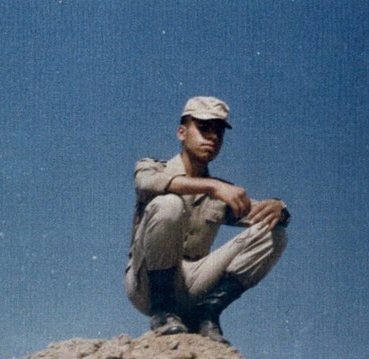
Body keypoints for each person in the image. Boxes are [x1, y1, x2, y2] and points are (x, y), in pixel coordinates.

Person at [124, 96, 290, 345]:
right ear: (181, 132)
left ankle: (207, 312)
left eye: (218, 132)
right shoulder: (153, 167)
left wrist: (279, 208)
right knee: (169, 204)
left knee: (274, 233)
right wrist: (212, 187)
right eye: (204, 128)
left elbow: (263, 214)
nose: (212, 137)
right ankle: (163, 312)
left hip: (195, 282)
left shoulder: (222, 192)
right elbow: (146, 183)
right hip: (146, 285)